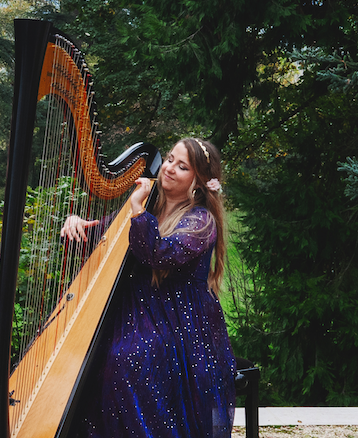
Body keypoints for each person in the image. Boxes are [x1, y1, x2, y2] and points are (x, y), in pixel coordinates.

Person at [60, 138, 236, 437]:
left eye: (182, 166)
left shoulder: (201, 221)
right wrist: (75, 223)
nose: (169, 168)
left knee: (127, 361)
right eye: (169, 159)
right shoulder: (151, 205)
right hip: (138, 315)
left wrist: (137, 209)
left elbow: (158, 253)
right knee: (91, 356)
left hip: (180, 324)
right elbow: (100, 236)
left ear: (199, 181)